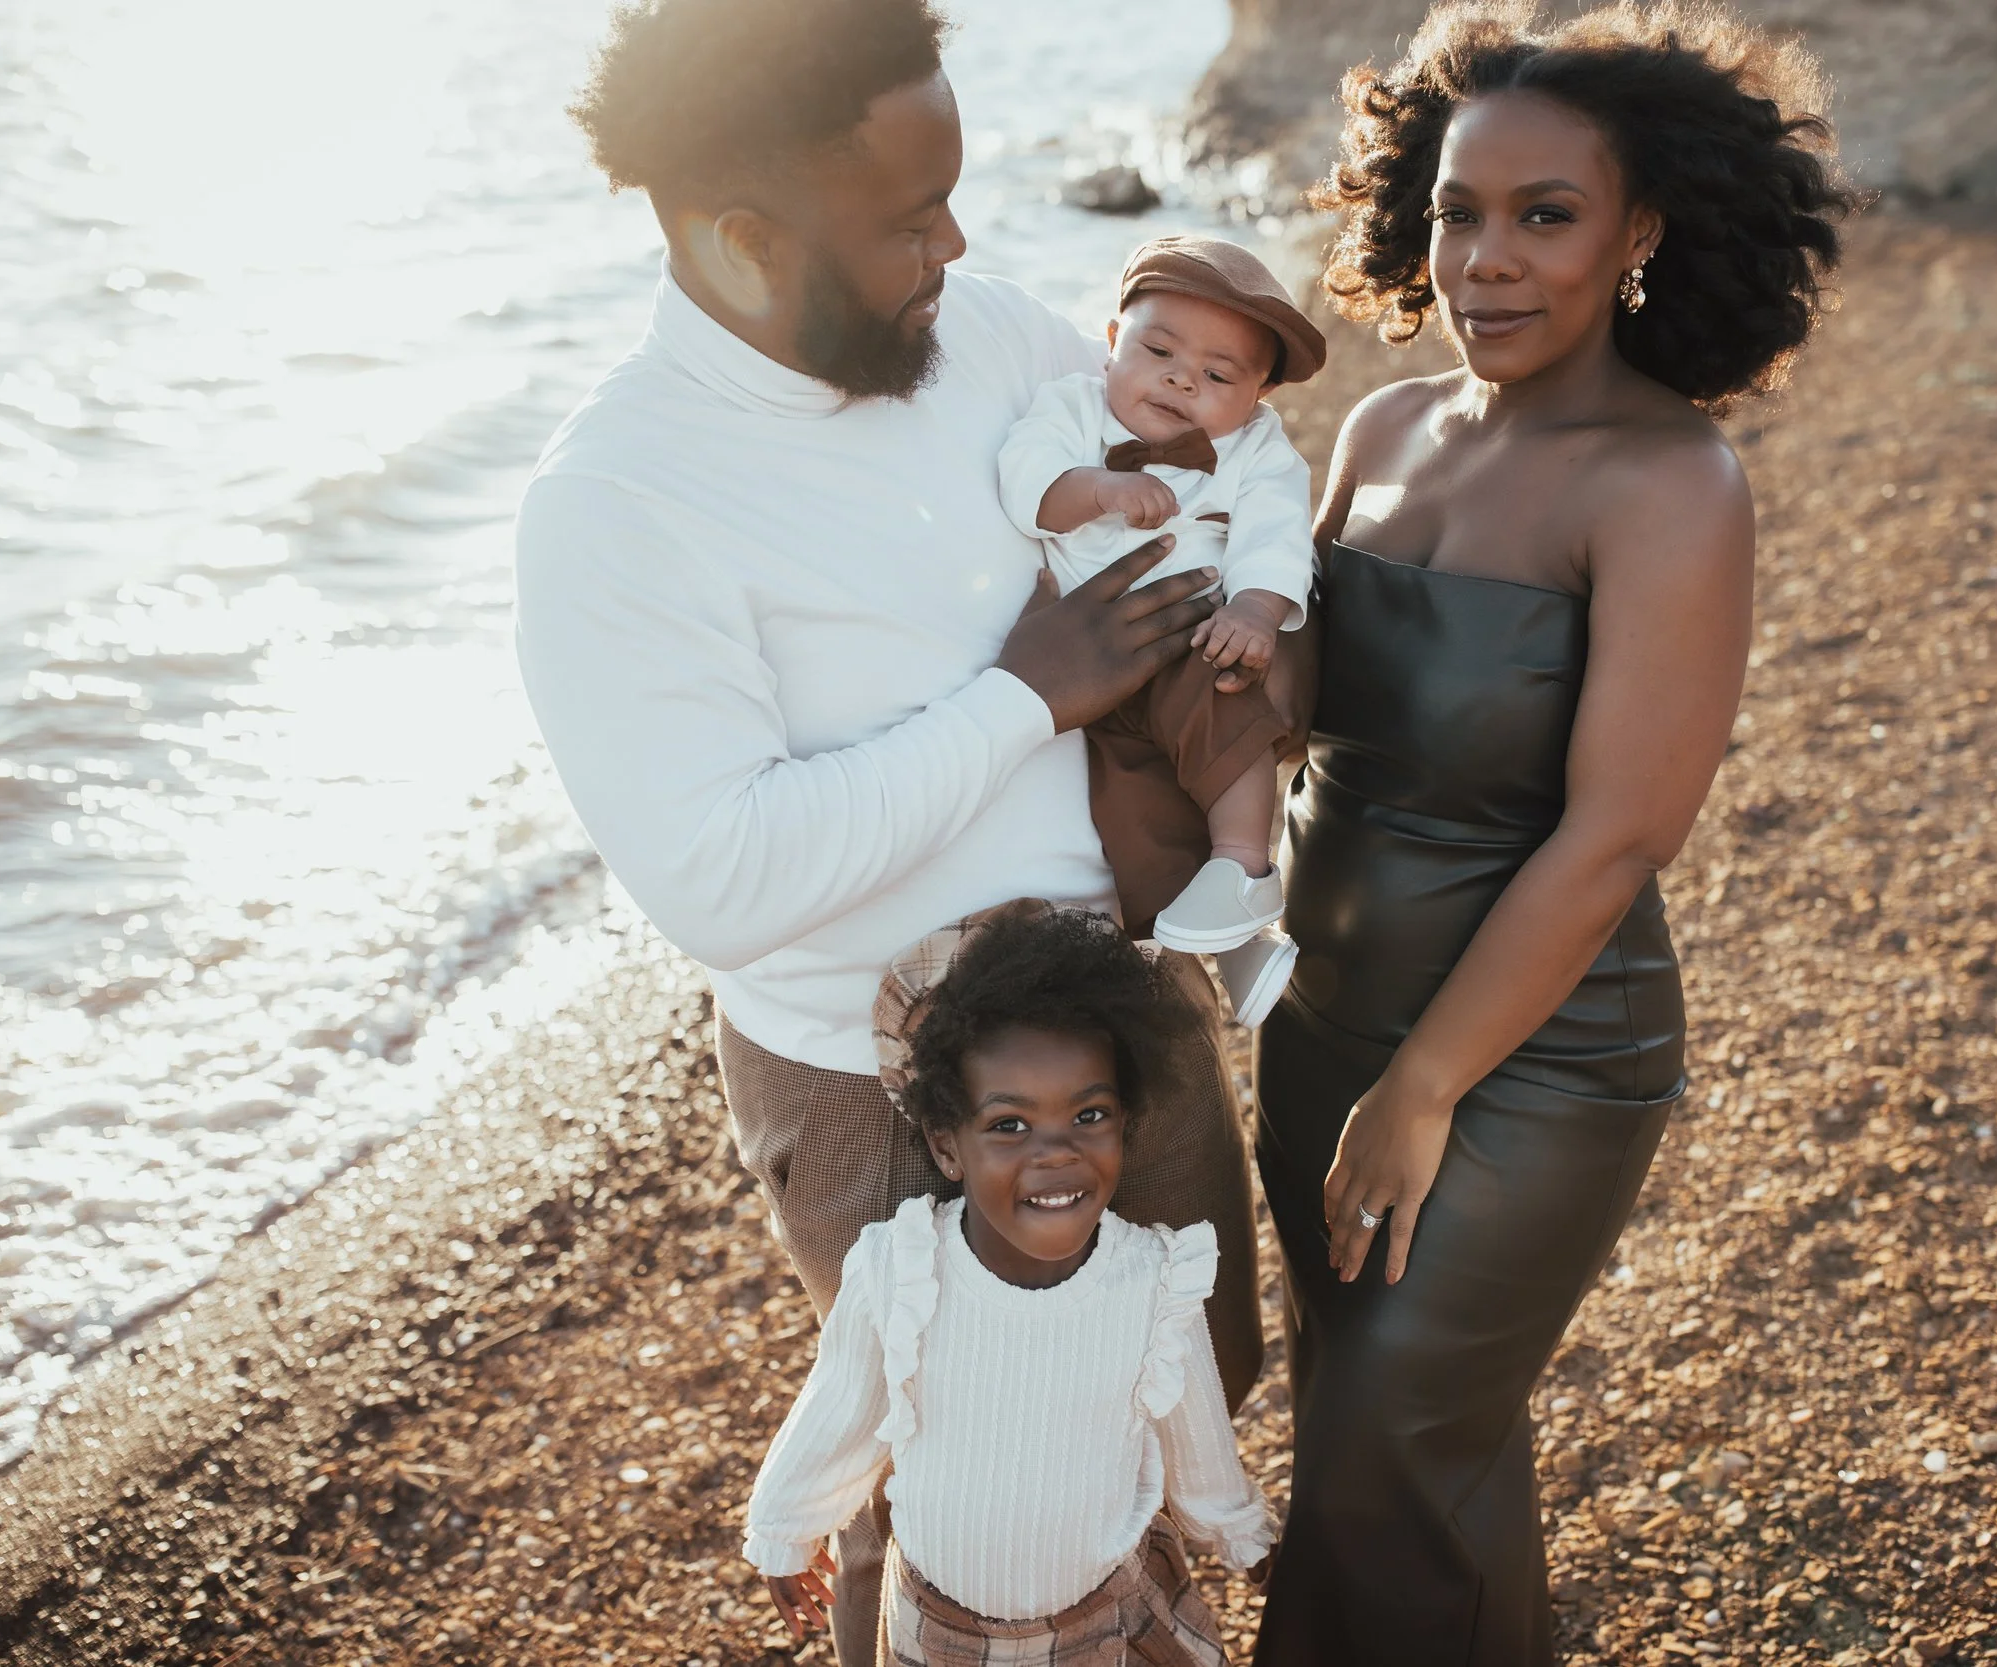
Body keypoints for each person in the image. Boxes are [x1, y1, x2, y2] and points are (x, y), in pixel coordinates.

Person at [513, 3, 1263, 1659]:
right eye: (909, 219)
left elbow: (1194, 478)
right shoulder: (614, 506)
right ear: (739, 238)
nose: (960, 241)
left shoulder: (986, 334)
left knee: (1181, 1381)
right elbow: (719, 878)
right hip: (878, 1084)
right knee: (946, 1468)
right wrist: (1024, 696)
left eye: (954, 194)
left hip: (1122, 1013)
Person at [1247, 4, 1857, 1662]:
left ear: (1640, 234)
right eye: (1458, 210)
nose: (1486, 262)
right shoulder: (1381, 433)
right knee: (1408, 1452)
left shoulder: (1667, 485)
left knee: (1383, 1458)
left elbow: (1612, 837)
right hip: (1319, 1029)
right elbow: (1311, 697)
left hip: (1526, 1061)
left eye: (1546, 215)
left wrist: (1424, 1084)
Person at [743, 904, 1272, 1664]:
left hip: (1109, 1618)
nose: (1055, 1153)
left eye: (1088, 1114)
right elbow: (841, 1409)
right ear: (945, 1145)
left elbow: (1200, 1447)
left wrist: (1243, 1535)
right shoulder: (904, 1270)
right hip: (943, 1629)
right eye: (1010, 1125)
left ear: (1126, 1121)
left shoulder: (1155, 1283)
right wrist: (784, 1531)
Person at [998, 235, 1328, 1027]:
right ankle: (1230, 944)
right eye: (1158, 350)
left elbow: (1278, 533)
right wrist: (1099, 489)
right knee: (1131, 818)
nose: (1182, 378)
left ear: (1257, 397)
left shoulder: (1255, 450)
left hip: (1193, 635)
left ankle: (1246, 864)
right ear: (1112, 341)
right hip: (1095, 670)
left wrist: (1253, 610)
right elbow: (1026, 484)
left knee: (1225, 711)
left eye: (1218, 375)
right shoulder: (1071, 410)